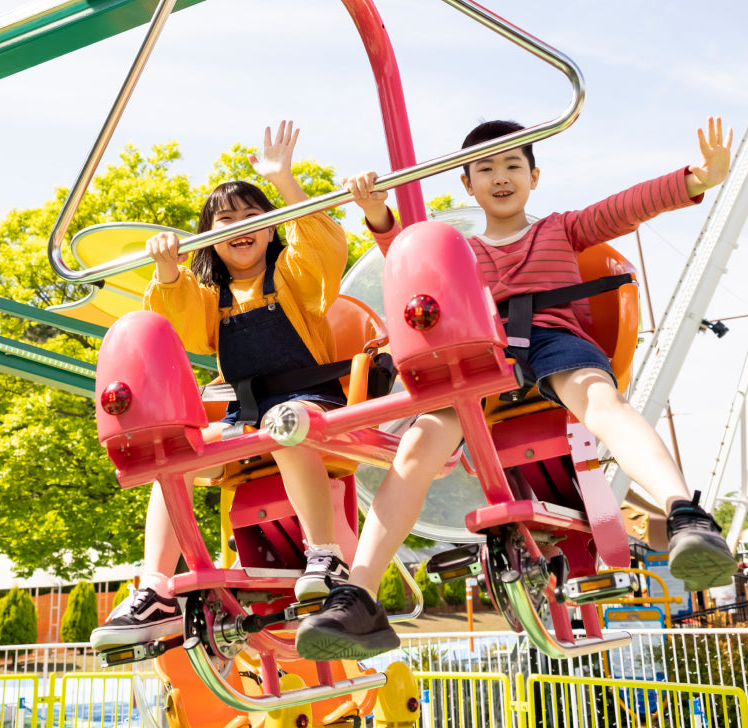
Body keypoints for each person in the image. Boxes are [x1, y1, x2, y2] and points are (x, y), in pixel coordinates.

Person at [296, 117, 739, 660]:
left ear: (533, 175)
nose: (500, 177)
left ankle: (685, 513)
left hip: (554, 342)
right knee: (417, 444)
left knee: (599, 397)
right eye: (486, 168)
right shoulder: (458, 250)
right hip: (479, 355)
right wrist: (378, 215)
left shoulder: (559, 229)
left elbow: (624, 208)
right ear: (467, 184)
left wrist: (695, 179)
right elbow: (411, 261)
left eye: (512, 165)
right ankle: (359, 593)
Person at [92, 120, 352, 649]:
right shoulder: (212, 295)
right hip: (247, 417)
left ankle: (326, 554)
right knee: (175, 458)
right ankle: (158, 587)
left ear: (274, 225)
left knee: (287, 425)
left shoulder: (294, 278)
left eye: (253, 216)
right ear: (210, 235)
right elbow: (181, 328)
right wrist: (167, 273)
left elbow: (325, 247)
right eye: (225, 219)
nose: (239, 226)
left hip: (309, 403)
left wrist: (286, 184)